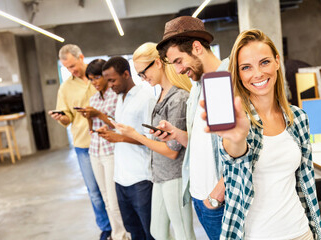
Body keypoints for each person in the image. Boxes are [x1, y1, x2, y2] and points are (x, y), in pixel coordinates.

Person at [200, 29, 321, 239]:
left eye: (264, 62)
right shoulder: (239, 121)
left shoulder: (298, 118)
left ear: (276, 61)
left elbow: (305, 182)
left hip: (301, 231)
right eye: (246, 67)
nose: (257, 74)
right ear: (238, 74)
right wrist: (236, 139)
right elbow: (235, 161)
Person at [155, 16, 228, 239]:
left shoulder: (225, 81)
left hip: (218, 201)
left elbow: (249, 146)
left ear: (196, 48)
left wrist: (217, 195)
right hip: (198, 196)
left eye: (178, 61)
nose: (178, 70)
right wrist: (176, 134)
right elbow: (203, 142)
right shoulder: (198, 86)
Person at [113, 42, 196, 240]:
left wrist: (134, 134)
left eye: (143, 72)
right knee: (157, 231)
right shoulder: (160, 95)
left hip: (174, 176)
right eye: (139, 75)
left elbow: (172, 151)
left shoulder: (178, 97)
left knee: (184, 232)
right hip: (159, 175)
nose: (143, 78)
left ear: (158, 63)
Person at [48, 44, 112, 240]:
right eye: (67, 68)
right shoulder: (66, 87)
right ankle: (106, 228)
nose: (71, 70)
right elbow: (67, 117)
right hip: (84, 144)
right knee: (94, 191)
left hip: (109, 141)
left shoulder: (101, 76)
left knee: (114, 189)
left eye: (73, 65)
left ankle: (121, 224)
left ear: (81, 57)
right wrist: (62, 118)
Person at [96, 56, 156, 240]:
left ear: (126, 74)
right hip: (121, 178)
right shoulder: (120, 98)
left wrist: (120, 138)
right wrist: (111, 130)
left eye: (113, 80)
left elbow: (150, 139)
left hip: (141, 179)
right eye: (107, 81)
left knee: (150, 233)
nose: (110, 85)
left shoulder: (146, 97)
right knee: (133, 231)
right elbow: (127, 128)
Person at [78, 59, 129, 240]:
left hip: (111, 151)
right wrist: (88, 117)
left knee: (115, 200)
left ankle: (125, 235)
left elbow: (117, 124)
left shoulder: (116, 95)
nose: (95, 82)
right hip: (95, 151)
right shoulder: (92, 98)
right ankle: (117, 235)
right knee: (106, 199)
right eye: (91, 79)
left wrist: (98, 114)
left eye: (97, 77)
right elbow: (92, 128)